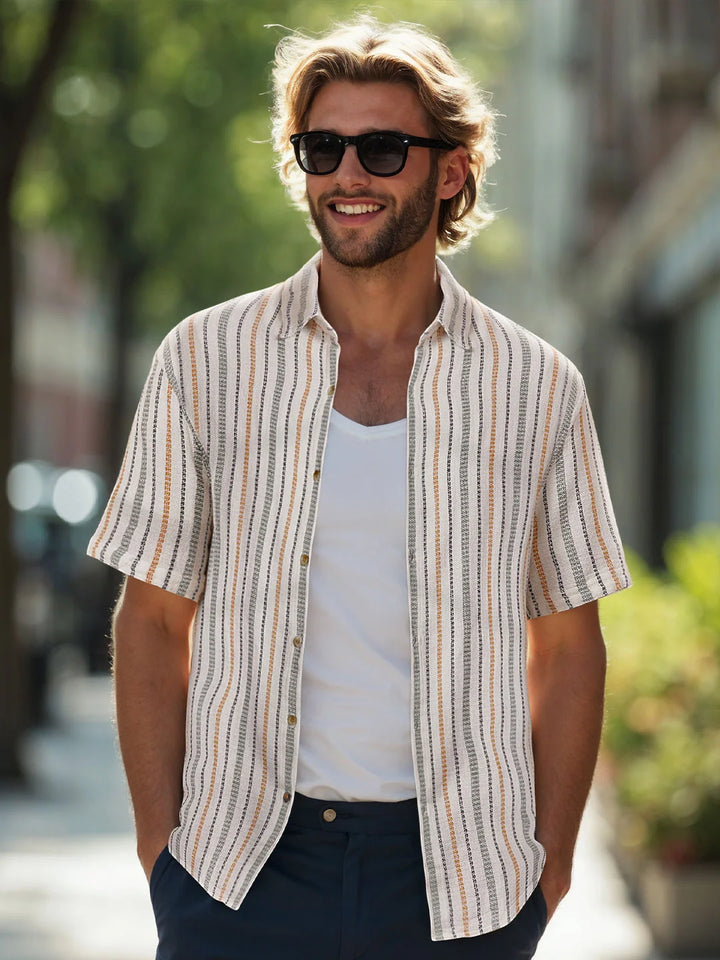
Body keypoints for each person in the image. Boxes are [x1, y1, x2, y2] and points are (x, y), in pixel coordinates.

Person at [88, 15, 631, 960]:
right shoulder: (207, 362)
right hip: (239, 869)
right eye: (323, 147)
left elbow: (570, 647)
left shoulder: (538, 386)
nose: (348, 175)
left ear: (451, 170)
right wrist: (164, 857)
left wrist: (549, 873)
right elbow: (150, 619)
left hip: (462, 877)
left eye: (383, 149)